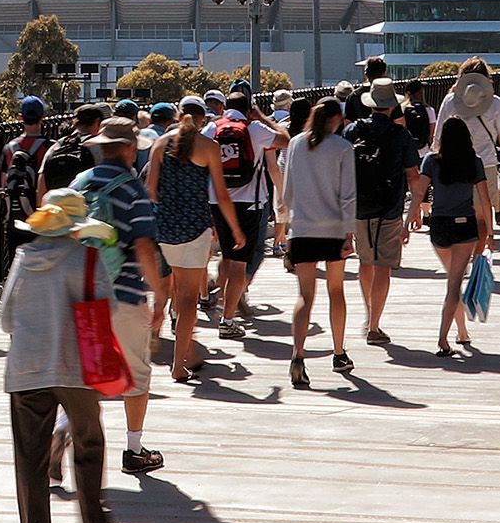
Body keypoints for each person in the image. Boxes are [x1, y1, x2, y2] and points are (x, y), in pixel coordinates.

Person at [0, 200, 117, 523]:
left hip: (26, 369)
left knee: (29, 457)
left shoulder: (22, 258)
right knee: (89, 442)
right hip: (75, 367)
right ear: (75, 225)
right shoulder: (87, 258)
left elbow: (5, 320)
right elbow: (106, 309)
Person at [69, 117, 164, 473]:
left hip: (82, 294)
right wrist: (157, 296)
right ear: (127, 148)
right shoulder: (132, 190)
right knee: (136, 374)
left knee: (84, 375)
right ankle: (134, 449)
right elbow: (142, 246)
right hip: (123, 295)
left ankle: (64, 433)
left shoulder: (79, 185)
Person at [144, 97, 240, 385]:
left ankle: (171, 343)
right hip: (196, 229)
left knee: (171, 288)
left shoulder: (160, 145)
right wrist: (235, 229)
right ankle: (179, 364)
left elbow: (150, 190)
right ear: (202, 120)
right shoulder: (209, 147)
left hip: (166, 230)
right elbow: (222, 196)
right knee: (188, 299)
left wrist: (168, 211)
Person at [277, 96, 357, 383]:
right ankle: (338, 352)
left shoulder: (296, 143)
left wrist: (286, 226)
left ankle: (297, 355)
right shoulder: (342, 147)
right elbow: (348, 194)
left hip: (302, 229)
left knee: (304, 296)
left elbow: (287, 193)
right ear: (337, 119)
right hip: (333, 230)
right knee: (336, 291)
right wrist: (350, 233)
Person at [410, 117, 496, 358]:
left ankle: (461, 331)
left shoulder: (431, 161)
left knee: (452, 281)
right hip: (465, 225)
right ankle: (443, 338)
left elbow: (419, 191)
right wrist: (490, 233)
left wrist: (410, 219)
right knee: (454, 284)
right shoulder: (474, 162)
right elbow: (485, 200)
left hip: (439, 225)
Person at [346, 85, 413, 348]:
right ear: (391, 106)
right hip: (390, 208)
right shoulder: (400, 134)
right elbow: (413, 175)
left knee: (365, 261)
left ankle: (368, 311)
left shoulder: (353, 131)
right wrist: (415, 209)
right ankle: (374, 324)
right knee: (383, 266)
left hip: (359, 207)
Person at [211, 89, 276, 333]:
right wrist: (262, 117)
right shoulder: (254, 129)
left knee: (225, 256)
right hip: (249, 202)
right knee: (239, 263)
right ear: (248, 108)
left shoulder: (212, 128)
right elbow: (286, 139)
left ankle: (217, 299)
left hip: (217, 201)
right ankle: (227, 320)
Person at [435, 60, 500, 178]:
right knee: (488, 196)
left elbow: (439, 135)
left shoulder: (449, 102)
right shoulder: (495, 103)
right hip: (486, 164)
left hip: (455, 165)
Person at [1, 96, 54, 219]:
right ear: (42, 118)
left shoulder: (9, 148)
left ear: (20, 117)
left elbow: (4, 183)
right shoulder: (50, 147)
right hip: (42, 216)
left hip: (15, 215)